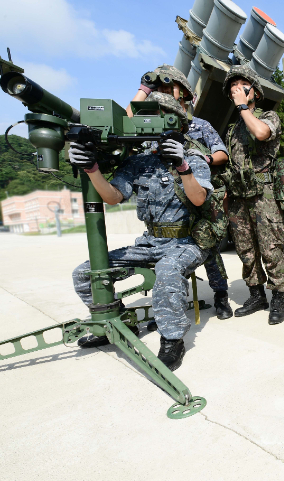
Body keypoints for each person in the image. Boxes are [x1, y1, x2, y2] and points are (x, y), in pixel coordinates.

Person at [69, 92, 213, 371]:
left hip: (186, 240)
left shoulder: (192, 159)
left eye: (161, 117)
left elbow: (198, 199)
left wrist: (182, 166)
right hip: (149, 241)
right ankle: (119, 322)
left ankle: (172, 339)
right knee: (84, 274)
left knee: (168, 270)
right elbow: (112, 197)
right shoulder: (138, 163)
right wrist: (91, 169)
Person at [128, 64, 233, 319]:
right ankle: (171, 300)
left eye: (169, 87)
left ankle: (221, 294)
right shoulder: (150, 122)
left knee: (208, 246)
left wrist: (200, 161)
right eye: (159, 88)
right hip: (169, 197)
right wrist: (143, 91)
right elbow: (124, 123)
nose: (163, 92)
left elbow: (222, 154)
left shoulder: (199, 125)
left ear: (185, 93)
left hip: (199, 190)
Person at [222, 64, 284, 325]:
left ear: (255, 92)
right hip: (239, 196)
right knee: (245, 249)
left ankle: (278, 297)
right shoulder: (231, 129)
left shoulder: (268, 116)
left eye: (242, 85)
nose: (236, 89)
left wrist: (242, 109)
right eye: (232, 87)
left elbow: (261, 133)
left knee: (270, 247)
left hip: (263, 194)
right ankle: (256, 294)